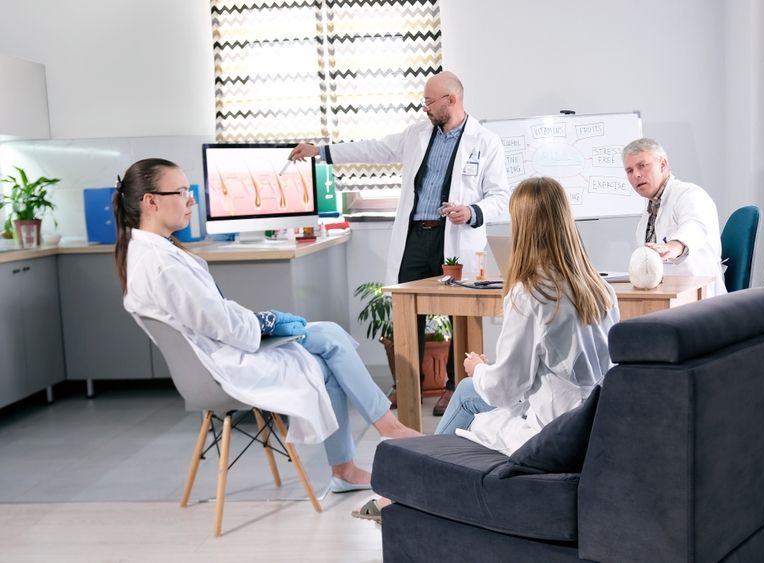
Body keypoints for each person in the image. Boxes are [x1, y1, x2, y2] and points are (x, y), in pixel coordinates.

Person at [112, 158, 421, 494]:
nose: (191, 201)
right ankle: (381, 437)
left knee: (330, 343)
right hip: (223, 365)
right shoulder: (161, 264)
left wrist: (263, 322)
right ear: (151, 201)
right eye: (182, 192)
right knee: (330, 349)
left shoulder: (149, 253)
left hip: (221, 352)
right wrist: (265, 322)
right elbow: (220, 323)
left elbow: (212, 316)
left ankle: (362, 453)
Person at [351, 176, 619, 524]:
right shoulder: (601, 289)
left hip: (555, 427)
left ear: (522, 227)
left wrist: (478, 368)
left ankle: (408, 491)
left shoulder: (532, 294)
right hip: (591, 421)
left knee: (466, 391)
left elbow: (506, 389)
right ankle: (404, 492)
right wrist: (493, 371)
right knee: (468, 391)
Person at [288, 71, 510, 416]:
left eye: (429, 102)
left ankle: (456, 386)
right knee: (406, 308)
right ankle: (407, 384)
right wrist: (321, 151)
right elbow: (374, 149)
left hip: (454, 236)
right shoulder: (417, 134)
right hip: (416, 236)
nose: (425, 108)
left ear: (451, 100)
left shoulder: (485, 141)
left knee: (460, 314)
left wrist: (472, 211)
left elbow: (500, 196)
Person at [622, 138, 727, 296]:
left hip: (699, 299)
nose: (636, 174)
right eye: (629, 171)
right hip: (665, 297)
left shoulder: (690, 195)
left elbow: (695, 227)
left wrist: (673, 246)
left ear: (663, 164)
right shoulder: (647, 215)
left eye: (642, 166)